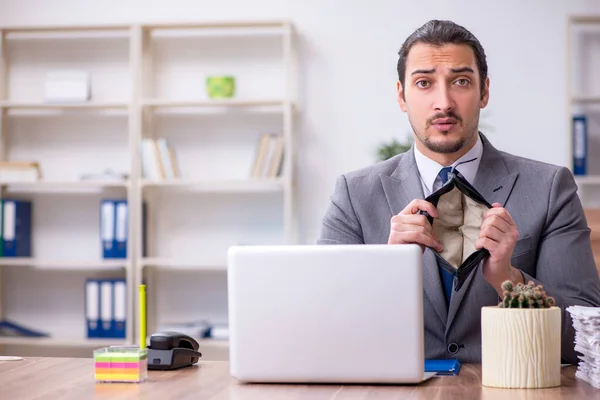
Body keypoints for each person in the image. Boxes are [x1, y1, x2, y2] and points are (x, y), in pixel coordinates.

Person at [317, 19, 600, 364]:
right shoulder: (353, 194)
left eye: (461, 81)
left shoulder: (550, 187)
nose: (444, 102)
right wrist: (388, 270)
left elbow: (583, 342)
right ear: (401, 96)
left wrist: (508, 280)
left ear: (484, 92)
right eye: (424, 83)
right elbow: (325, 330)